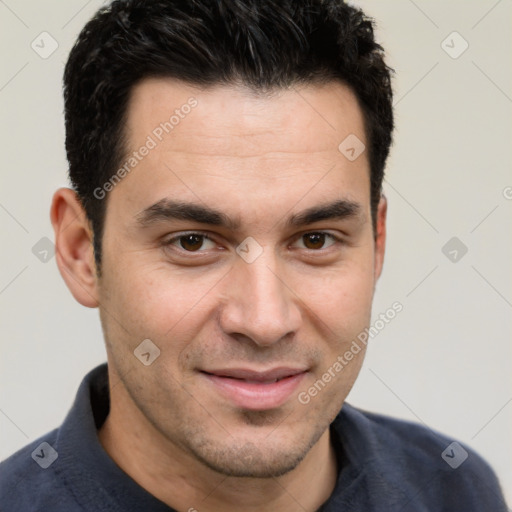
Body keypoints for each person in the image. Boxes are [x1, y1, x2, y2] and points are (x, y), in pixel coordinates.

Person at [0, 1, 507, 510]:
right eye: (192, 242)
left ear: (376, 243)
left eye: (316, 239)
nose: (265, 321)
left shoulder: (455, 490)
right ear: (81, 252)